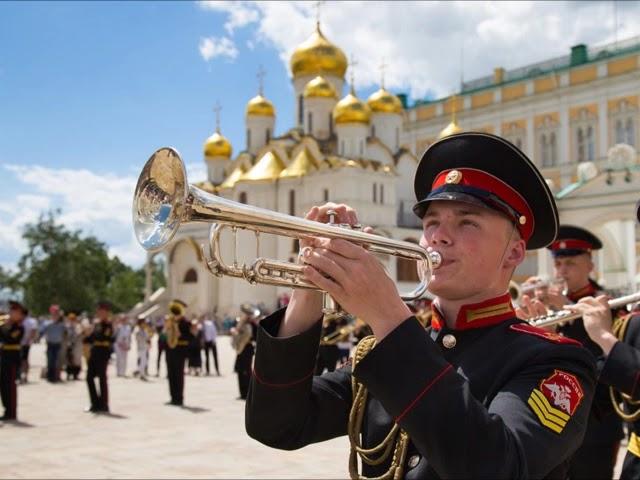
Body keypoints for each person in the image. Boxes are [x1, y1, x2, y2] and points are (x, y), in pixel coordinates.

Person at [245, 132, 597, 478]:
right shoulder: (387, 351)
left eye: (466, 221)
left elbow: (500, 466)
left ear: (514, 252)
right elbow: (276, 425)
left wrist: (388, 315)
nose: (438, 236)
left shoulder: (555, 361)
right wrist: (312, 284)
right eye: (431, 222)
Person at [543, 225, 624, 479]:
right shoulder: (550, 305)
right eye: (558, 264)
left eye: (570, 263)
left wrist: (570, 311)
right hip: (555, 419)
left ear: (590, 264)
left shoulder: (607, 304)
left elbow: (604, 358)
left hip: (596, 425)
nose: (562, 271)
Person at [85, 301, 114, 413]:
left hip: (103, 352)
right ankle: (95, 403)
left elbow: (104, 337)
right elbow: (90, 339)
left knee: (102, 378)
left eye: (102, 311)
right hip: (94, 352)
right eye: (99, 311)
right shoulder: (96, 325)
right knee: (89, 377)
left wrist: (93, 333)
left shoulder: (108, 324)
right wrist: (86, 334)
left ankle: (104, 404)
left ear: (106, 313)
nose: (99, 313)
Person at [0, 301, 26, 421]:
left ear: (20, 314)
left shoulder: (19, 327)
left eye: (14, 312)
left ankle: (11, 412)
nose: (11, 314)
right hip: (3, 356)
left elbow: (10, 339)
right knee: (3, 386)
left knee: (10, 386)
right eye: (11, 311)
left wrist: (5, 326)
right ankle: (6, 409)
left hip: (12, 358)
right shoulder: (6, 324)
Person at [164, 299, 192, 406]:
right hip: (170, 350)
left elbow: (189, 337)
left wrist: (178, 330)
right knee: (171, 374)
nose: (175, 314)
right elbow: (164, 334)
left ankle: (179, 398)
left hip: (180, 351)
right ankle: (173, 397)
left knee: (179, 375)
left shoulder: (186, 323)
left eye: (178, 311)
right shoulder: (170, 321)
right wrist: (168, 327)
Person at [231, 303, 258, 400]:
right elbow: (235, 334)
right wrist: (235, 332)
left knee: (246, 371)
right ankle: (242, 393)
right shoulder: (239, 323)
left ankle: (248, 393)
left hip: (248, 349)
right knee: (239, 370)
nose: (245, 315)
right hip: (240, 349)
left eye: (247, 314)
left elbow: (256, 337)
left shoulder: (253, 325)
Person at [41, 304, 66, 382]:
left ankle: (56, 376)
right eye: (54, 313)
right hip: (50, 344)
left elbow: (65, 334)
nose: (56, 315)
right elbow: (41, 332)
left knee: (57, 361)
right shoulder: (47, 324)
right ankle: (50, 376)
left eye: (57, 313)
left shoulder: (62, 325)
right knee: (50, 360)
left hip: (58, 344)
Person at [19, 310, 37, 383]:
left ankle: (25, 376)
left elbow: (33, 331)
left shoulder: (30, 321)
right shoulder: (21, 320)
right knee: (22, 360)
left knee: (24, 360)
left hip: (25, 344)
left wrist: (28, 340)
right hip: (20, 343)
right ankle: (21, 376)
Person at [65, 312, 83, 381]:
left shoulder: (78, 326)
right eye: (70, 319)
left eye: (73, 319)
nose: (71, 320)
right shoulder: (66, 327)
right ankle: (68, 374)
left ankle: (76, 375)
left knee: (77, 360)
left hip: (76, 346)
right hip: (69, 345)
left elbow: (80, 334)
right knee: (69, 360)